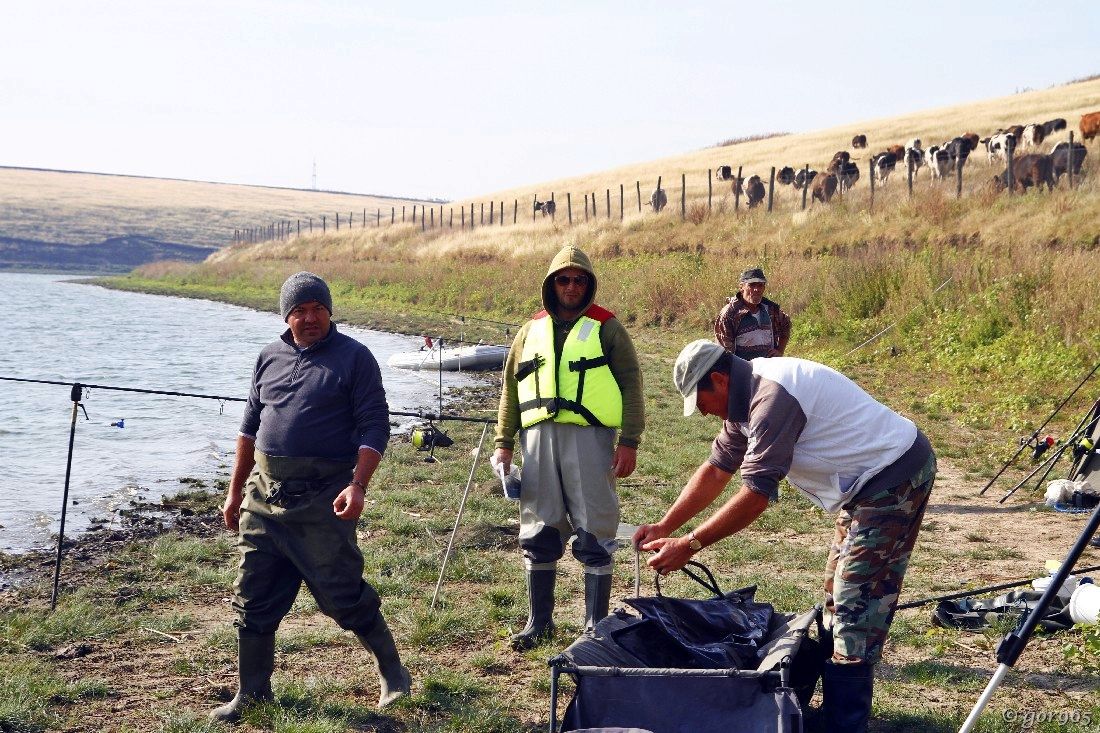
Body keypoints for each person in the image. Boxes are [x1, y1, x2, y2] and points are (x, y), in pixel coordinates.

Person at [633, 340, 936, 733]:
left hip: (894, 478)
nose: (703, 412)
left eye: (701, 401)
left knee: (854, 603)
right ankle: (833, 713)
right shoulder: (743, 398)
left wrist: (690, 545)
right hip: (864, 488)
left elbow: (756, 496)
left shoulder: (771, 398)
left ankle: (845, 725)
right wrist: (665, 527)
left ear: (720, 380)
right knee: (835, 596)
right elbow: (717, 469)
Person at [212, 272, 411, 722]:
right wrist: (234, 492)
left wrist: (358, 485)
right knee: (253, 596)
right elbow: (248, 429)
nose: (309, 318)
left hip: (325, 497)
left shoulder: (355, 357)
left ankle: (393, 672)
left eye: (318, 308)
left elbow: (375, 425)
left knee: (342, 594)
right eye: (299, 310)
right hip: (263, 496)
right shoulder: (268, 357)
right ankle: (253, 694)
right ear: (286, 316)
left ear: (329, 311)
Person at [493, 245, 645, 650]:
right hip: (537, 441)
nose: (571, 286)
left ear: (589, 284)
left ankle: (594, 627)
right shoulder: (530, 331)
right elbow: (510, 389)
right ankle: (538, 622)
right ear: (552, 283)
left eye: (579, 280)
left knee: (594, 528)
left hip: (590, 439)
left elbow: (632, 384)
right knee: (539, 528)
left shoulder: (607, 328)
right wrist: (503, 444)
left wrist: (630, 441)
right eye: (564, 279)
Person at [714, 267, 791, 359]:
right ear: (741, 287)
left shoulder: (770, 309)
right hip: (743, 366)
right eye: (752, 285)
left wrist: (780, 350)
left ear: (764, 288)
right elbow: (724, 353)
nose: (756, 289)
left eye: (760, 285)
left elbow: (786, 324)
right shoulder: (730, 314)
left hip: (768, 366)